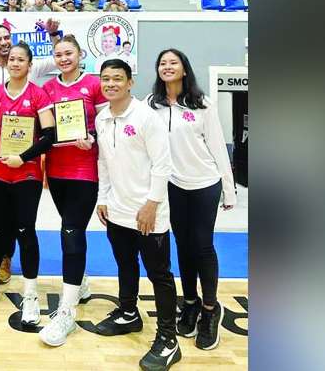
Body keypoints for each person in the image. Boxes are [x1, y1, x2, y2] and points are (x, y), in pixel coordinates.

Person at [92, 59, 181, 371]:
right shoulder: (102, 118)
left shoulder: (146, 117)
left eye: (118, 78)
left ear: (130, 82)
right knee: (125, 264)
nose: (111, 84)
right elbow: (103, 162)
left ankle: (169, 340)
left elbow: (163, 164)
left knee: (159, 274)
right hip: (117, 209)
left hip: (149, 212)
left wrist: (152, 203)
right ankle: (128, 313)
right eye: (106, 79)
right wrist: (103, 199)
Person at [148, 49, 236, 351]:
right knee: (182, 246)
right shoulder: (152, 105)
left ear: (185, 69)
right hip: (172, 185)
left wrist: (229, 188)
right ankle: (190, 303)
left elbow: (218, 147)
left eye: (173, 62)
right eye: (162, 63)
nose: (167, 67)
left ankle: (211, 310)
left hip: (204, 183)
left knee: (202, 245)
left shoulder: (202, 105)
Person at [0, 42, 57, 327]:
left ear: (30, 65)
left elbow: (50, 135)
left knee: (25, 231)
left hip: (26, 172)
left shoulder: (38, 95)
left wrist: (23, 157)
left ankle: (30, 295)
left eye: (21, 60)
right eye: (12, 59)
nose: (15, 63)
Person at [37, 36, 107, 346]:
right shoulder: (48, 89)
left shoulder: (93, 84)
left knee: (71, 231)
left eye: (69, 53)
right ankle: (81, 282)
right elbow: (44, 129)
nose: (64, 58)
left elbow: (106, 124)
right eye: (58, 54)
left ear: (80, 55)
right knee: (70, 228)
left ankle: (66, 313)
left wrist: (92, 137)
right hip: (56, 170)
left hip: (84, 171)